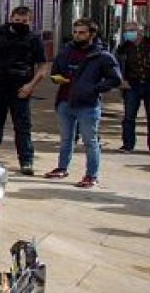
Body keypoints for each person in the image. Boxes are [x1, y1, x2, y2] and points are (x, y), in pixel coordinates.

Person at [0, 7, 49, 175]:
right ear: (11, 18)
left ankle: (26, 161)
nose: (20, 23)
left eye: (24, 21)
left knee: (22, 126)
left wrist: (30, 86)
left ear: (30, 22)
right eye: (17, 20)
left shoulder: (33, 39)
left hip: (20, 89)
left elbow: (43, 67)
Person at [45, 19, 122, 188]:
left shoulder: (102, 56)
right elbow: (55, 71)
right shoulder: (66, 51)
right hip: (65, 100)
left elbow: (115, 79)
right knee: (66, 138)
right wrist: (58, 78)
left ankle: (91, 175)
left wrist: (95, 88)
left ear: (91, 34)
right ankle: (62, 168)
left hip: (88, 104)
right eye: (75, 32)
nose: (77, 35)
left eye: (82, 32)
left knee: (90, 141)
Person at [114, 20, 150, 158]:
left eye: (131, 30)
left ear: (140, 32)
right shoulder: (123, 49)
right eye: (126, 31)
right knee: (129, 117)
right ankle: (128, 145)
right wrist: (121, 81)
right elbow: (114, 66)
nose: (128, 34)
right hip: (132, 85)